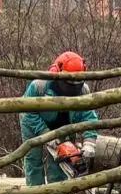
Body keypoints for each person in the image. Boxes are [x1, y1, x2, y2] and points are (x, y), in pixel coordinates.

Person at [21, 51, 100, 186]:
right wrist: (45, 133)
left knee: (61, 161)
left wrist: (89, 141)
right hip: (35, 122)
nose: (73, 87)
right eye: (69, 83)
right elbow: (28, 112)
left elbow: (88, 115)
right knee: (33, 159)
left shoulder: (83, 90)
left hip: (64, 125)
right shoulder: (39, 86)